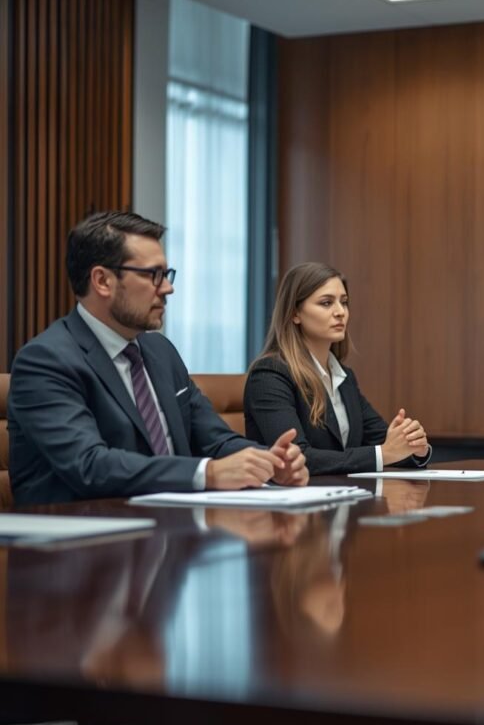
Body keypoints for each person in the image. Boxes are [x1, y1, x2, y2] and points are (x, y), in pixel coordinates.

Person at [8, 211, 308, 506]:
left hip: (171, 532)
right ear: (102, 281)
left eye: (166, 274)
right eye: (154, 275)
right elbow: (90, 466)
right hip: (79, 541)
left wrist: (269, 461)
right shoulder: (46, 361)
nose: (168, 287)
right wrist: (208, 473)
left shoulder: (159, 352)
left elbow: (215, 440)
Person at [244, 262, 431, 475]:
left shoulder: (343, 376)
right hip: (289, 503)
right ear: (295, 313)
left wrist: (414, 447)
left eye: (344, 302)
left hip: (342, 497)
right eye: (326, 303)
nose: (340, 312)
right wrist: (385, 453)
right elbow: (298, 458)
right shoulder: (270, 375)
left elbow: (384, 443)